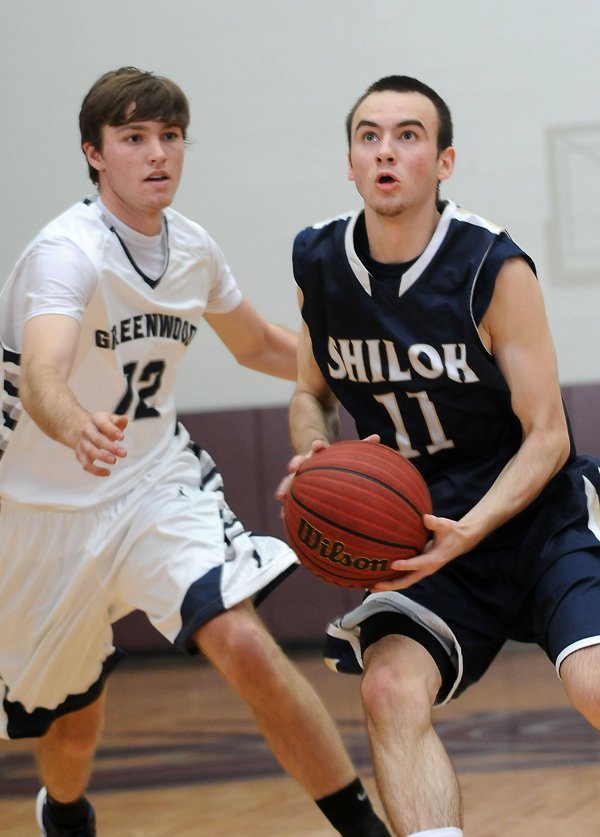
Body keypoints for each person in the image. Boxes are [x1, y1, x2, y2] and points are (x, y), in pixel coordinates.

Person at [0, 67, 391, 837]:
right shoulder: (65, 254)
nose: (157, 154)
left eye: (170, 137)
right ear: (94, 153)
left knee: (242, 639)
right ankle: (67, 811)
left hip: (152, 484)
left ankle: (364, 829)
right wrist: (74, 419)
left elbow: (258, 345)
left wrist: (367, 372)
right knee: (70, 729)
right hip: (39, 513)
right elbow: (43, 373)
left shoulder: (193, 249)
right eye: (134, 138)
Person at [281, 74, 600, 837]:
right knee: (389, 688)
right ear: (350, 161)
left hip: (536, 518)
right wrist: (312, 456)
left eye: (408, 135)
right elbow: (307, 393)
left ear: (444, 161)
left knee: (595, 684)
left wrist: (476, 524)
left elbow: (548, 432)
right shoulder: (319, 265)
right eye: (369, 136)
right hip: (428, 533)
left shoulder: (492, 267)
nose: (386, 151)